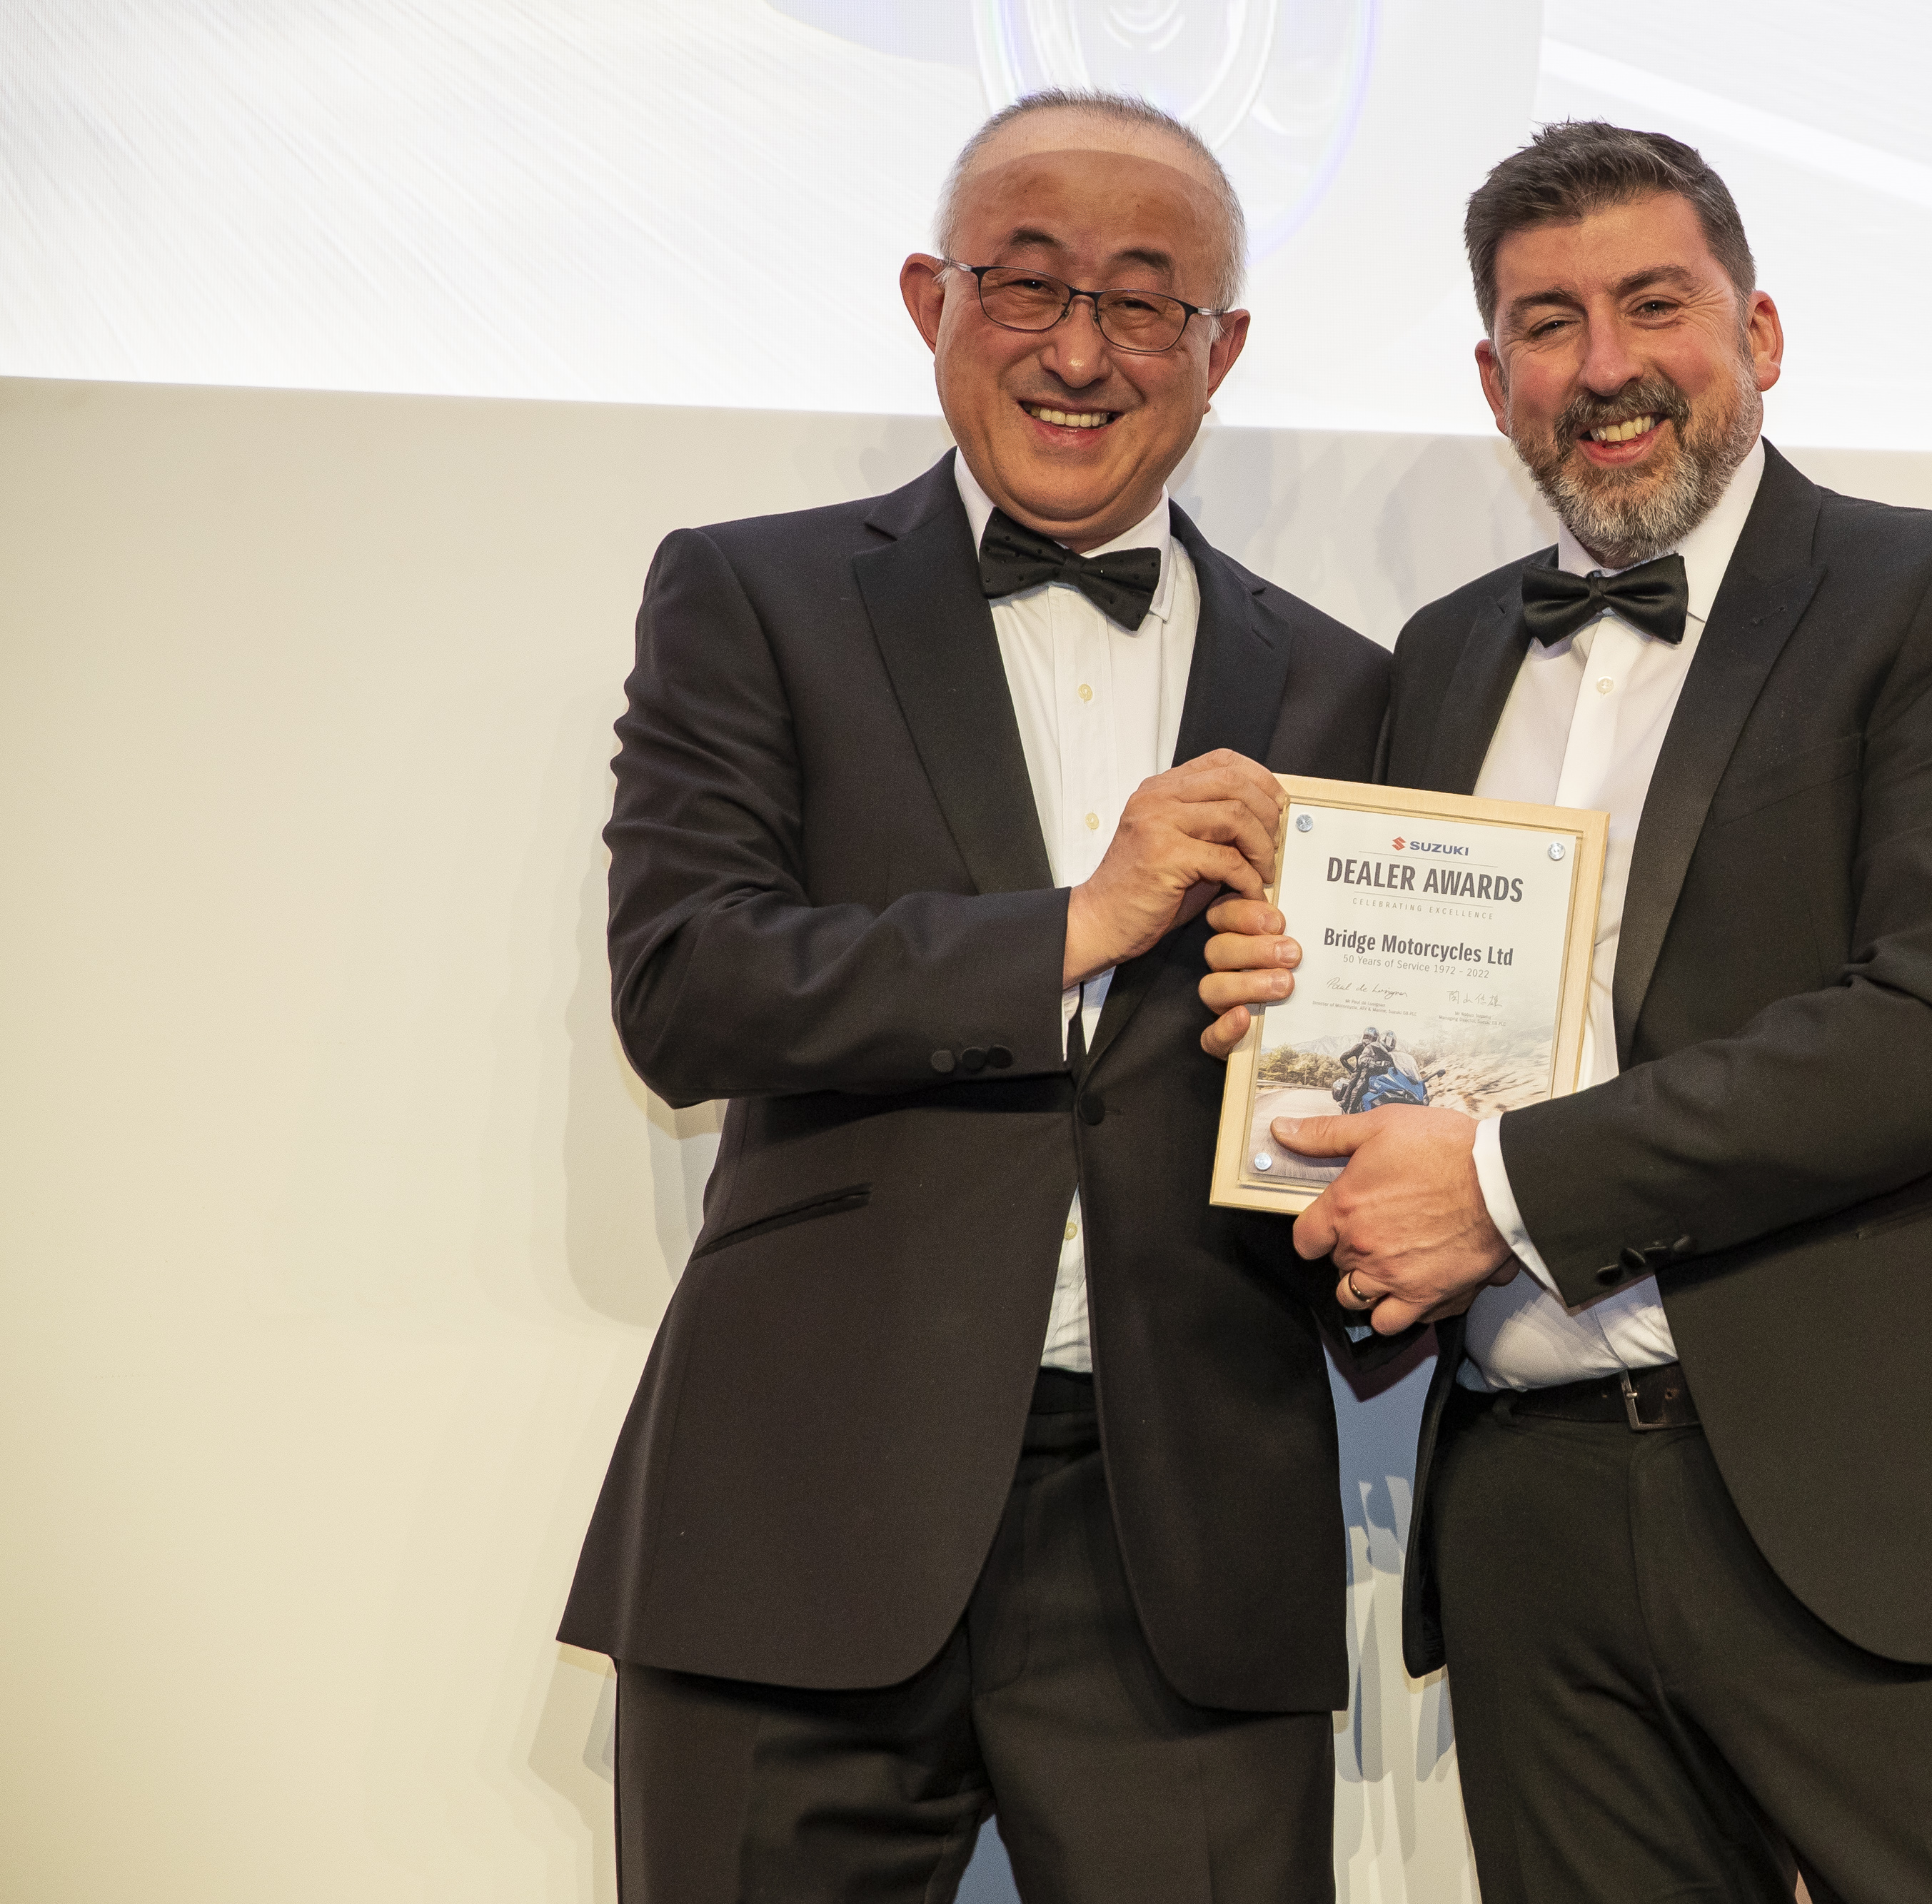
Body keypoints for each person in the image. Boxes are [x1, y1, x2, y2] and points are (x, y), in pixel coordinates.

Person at [1201, 122, 1932, 1903]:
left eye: (1652, 304)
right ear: (1493, 381)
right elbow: (1399, 1037)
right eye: (1546, 323)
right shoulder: (1439, 655)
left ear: (1757, 331)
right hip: (1529, 1519)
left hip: (1891, 1500)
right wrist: (1292, 1053)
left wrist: (1495, 1186)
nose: (1604, 365)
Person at [561, 91, 1387, 1903]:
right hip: (799, 1510)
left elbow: (1367, 1095)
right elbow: (684, 984)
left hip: (1187, 1548)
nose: (1078, 352)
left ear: (1222, 347)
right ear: (930, 299)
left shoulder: (1341, 683)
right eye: (1026, 284)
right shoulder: (751, 593)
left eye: (1144, 302)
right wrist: (1074, 925)